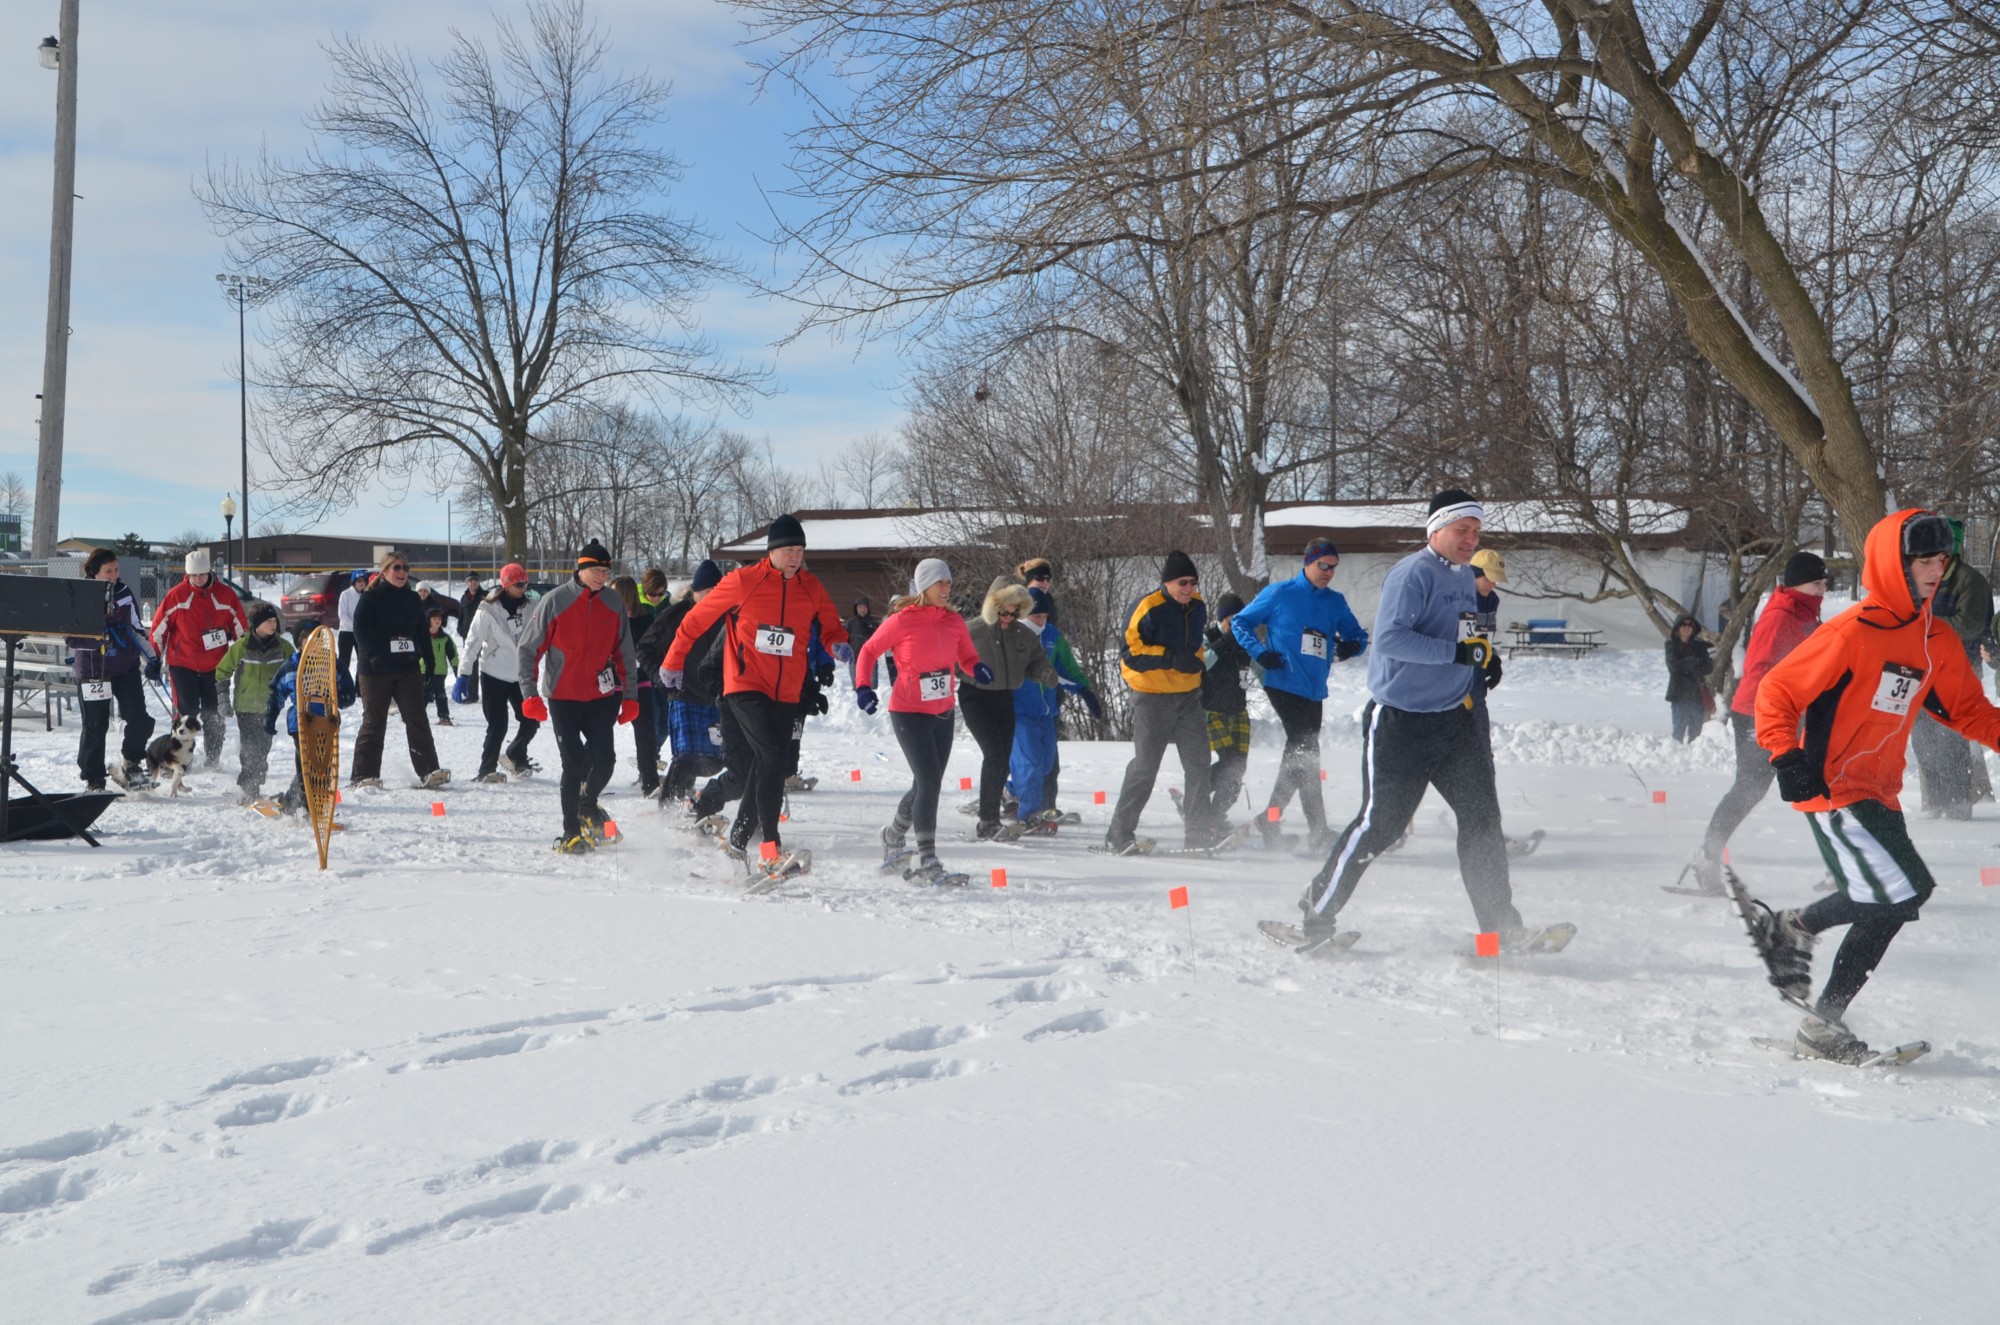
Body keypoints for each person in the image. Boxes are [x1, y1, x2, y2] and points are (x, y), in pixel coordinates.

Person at [1745, 509, 2000, 1063]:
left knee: (1899, 898)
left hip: (1879, 790)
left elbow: (1970, 712)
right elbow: (1777, 690)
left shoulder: (1935, 637)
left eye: (1941, 560)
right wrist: (1786, 756)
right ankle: (1822, 1023)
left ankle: (1796, 927)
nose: (1936, 571)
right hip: (1834, 789)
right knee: (1896, 896)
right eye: (1924, 561)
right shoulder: (1851, 631)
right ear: (1894, 565)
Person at [1297, 490, 1525, 946]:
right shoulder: (1411, 574)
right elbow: (1390, 639)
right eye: (1462, 530)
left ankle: (1501, 928)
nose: (1471, 539)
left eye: (1476, 532)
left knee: (1482, 821)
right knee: (1380, 826)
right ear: (1436, 530)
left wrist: (1483, 657)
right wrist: (1456, 653)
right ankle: (1317, 910)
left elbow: (1464, 634)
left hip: (1455, 722)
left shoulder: (1466, 577)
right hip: (1401, 723)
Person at [661, 514, 851, 878]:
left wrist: (837, 644)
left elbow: (830, 626)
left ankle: (739, 843)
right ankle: (769, 849)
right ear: (772, 552)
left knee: (771, 765)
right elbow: (696, 620)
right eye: (788, 550)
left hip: (786, 692)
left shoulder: (810, 586)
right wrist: (673, 661)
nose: (795, 557)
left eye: (800, 551)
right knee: (771, 756)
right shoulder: (744, 581)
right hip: (745, 685)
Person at [1686, 552, 1826, 893]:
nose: (1822, 590)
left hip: (1791, 713)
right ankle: (1707, 857)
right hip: (1757, 712)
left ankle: (1842, 867)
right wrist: (1782, 705)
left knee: (1818, 786)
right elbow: (1760, 668)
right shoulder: (1781, 615)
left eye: (1824, 583)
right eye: (1816, 583)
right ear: (1796, 584)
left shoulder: (1806, 613)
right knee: (1750, 788)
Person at [1231, 538, 1369, 852]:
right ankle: (1313, 828)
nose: (1329, 572)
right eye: (1324, 565)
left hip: (1314, 688)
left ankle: (1274, 818)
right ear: (1308, 563)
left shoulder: (1335, 601)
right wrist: (1259, 653)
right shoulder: (1280, 594)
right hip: (1282, 681)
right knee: (1304, 749)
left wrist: (1352, 646)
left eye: (1333, 567)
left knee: (1304, 755)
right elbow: (1240, 622)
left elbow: (1358, 636)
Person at [854, 558, 988, 881]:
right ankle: (928, 858)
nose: (946, 588)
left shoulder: (954, 621)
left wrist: (977, 667)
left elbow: (967, 656)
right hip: (908, 712)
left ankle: (893, 834)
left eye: (949, 583)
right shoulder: (901, 620)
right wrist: (863, 686)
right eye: (941, 582)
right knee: (928, 782)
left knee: (927, 784)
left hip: (943, 713)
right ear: (925, 586)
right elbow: (868, 650)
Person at [518, 539, 639, 853]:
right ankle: (570, 832)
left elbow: (625, 652)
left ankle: (587, 804)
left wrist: (630, 696)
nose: (601, 577)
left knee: (605, 760)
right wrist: (530, 694)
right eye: (596, 571)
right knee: (573, 764)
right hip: (563, 697)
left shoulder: (613, 602)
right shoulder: (555, 601)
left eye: (606, 572)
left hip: (601, 698)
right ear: (581, 569)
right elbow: (529, 649)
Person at [1106, 550, 1224, 854]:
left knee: (1199, 763)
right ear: (1167, 582)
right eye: (1183, 582)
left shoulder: (1197, 606)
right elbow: (1131, 653)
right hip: (1152, 695)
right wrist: (1171, 659)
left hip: (1188, 695)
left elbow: (1195, 647)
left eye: (1193, 583)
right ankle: (1119, 833)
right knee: (1146, 766)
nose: (1189, 588)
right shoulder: (1148, 607)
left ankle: (1198, 833)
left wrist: (1198, 668)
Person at [961, 578, 1064, 839]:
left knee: (1004, 757)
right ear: (993, 607)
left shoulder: (1022, 635)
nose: (1009, 618)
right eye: (1004, 612)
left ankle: (999, 809)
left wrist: (1044, 673)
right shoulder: (972, 631)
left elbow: (1036, 661)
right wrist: (970, 671)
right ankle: (987, 821)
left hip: (1005, 698)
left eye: (1015, 613)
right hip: (976, 698)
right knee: (994, 754)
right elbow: (947, 660)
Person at [1910, 522, 1993, 818]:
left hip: (1959, 668)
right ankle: (1935, 805)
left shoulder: (1970, 581)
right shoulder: (1922, 578)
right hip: (1923, 668)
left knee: (1953, 739)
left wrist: (1926, 624)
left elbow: (1970, 626)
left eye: (1939, 554)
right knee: (1924, 738)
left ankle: (1961, 804)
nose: (1933, 563)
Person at [348, 550, 450, 790]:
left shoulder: (413, 599)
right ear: (384, 571)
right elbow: (359, 630)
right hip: (375, 670)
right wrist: (373, 656)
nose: (402, 572)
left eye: (405, 568)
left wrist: (429, 661)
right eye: (397, 567)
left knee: (417, 717)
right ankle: (364, 775)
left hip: (407, 668)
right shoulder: (371, 598)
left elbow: (421, 632)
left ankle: (429, 770)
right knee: (374, 722)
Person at [1008, 587, 1101, 831]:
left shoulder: (1052, 635)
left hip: (1047, 712)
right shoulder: (1012, 635)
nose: (1040, 621)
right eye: (1036, 616)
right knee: (1030, 764)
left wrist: (1084, 689)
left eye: (1044, 617)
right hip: (1020, 712)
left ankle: (1012, 792)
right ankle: (1029, 815)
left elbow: (1066, 669)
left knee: (1046, 764)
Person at [149, 548, 247, 769]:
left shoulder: (226, 595)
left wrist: (244, 656)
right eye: (194, 575)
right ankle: (179, 760)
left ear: (209, 571)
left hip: (216, 665)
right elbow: (159, 630)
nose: (199, 578)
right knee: (186, 713)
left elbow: (241, 629)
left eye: (202, 574)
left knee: (214, 714)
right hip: (183, 664)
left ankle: (213, 759)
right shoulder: (176, 596)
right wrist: (154, 658)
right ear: (187, 574)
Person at [69, 548, 157, 792]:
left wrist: (152, 658)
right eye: (108, 571)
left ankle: (132, 762)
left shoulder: (124, 592)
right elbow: (71, 637)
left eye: (116, 569)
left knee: (139, 719)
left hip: (125, 667)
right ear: (94, 572)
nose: (114, 574)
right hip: (93, 670)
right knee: (96, 725)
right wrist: (100, 638)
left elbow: (136, 629)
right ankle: (94, 778)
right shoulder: (81, 594)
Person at [641, 560, 726, 806]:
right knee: (687, 756)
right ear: (695, 591)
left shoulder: (727, 615)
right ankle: (668, 808)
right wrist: (660, 678)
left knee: (716, 761)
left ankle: (689, 797)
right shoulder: (677, 614)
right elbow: (645, 648)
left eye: (717, 591)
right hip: (684, 694)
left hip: (716, 696)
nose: (713, 596)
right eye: (707, 591)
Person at [456, 562, 541, 783]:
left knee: (531, 720)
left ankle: (515, 754)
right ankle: (486, 770)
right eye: (519, 584)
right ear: (506, 584)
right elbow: (472, 642)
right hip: (493, 673)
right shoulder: (487, 609)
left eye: (526, 583)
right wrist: (464, 674)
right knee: (498, 725)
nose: (524, 588)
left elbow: (541, 636)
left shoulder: (531, 607)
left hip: (520, 675)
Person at [216, 602, 296, 804]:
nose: (273, 624)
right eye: (269, 621)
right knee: (249, 748)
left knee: (263, 748)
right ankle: (249, 788)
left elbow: (297, 669)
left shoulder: (283, 647)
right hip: (245, 706)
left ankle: (255, 783)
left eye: (275, 620)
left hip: (270, 707)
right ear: (257, 624)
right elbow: (222, 671)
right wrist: (223, 698)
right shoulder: (242, 646)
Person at [264, 649, 357, 820]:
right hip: (300, 723)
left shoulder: (333, 665)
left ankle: (293, 802)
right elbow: (276, 692)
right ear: (301, 643)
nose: (313, 647)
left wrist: (336, 696)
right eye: (307, 642)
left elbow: (349, 694)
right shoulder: (292, 665)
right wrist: (270, 717)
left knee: (322, 766)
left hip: (326, 722)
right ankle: (309, 807)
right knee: (306, 766)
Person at [1194, 591, 1254, 833]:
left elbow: (1260, 669)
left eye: (1241, 620)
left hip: (1238, 711)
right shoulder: (1208, 637)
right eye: (1232, 620)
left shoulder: (1245, 641)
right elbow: (1201, 664)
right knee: (1229, 762)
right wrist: (1224, 643)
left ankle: (1215, 815)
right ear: (1222, 619)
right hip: (1212, 710)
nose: (1236, 626)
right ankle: (1195, 799)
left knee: (1238, 768)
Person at [611, 574, 659, 796]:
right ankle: (585, 776)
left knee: (646, 732)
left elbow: (651, 649)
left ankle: (650, 781)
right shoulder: (607, 617)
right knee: (600, 730)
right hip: (612, 681)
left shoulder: (645, 620)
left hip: (640, 681)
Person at [1665, 615, 1714, 743]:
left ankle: (1693, 755)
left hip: (1697, 695)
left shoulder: (1699, 646)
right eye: (1684, 625)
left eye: (1690, 625)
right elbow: (1674, 667)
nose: (1687, 628)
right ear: (1677, 627)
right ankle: (1675, 754)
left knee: (1696, 735)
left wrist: (1687, 664)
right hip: (1679, 696)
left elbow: (1708, 667)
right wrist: (1694, 661)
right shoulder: (1671, 646)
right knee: (1678, 733)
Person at [423, 608, 459, 726]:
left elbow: (453, 654)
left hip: (439, 671)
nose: (437, 620)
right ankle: (416, 716)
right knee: (422, 695)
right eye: (434, 618)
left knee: (440, 694)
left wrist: (456, 668)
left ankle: (444, 717)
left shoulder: (445, 638)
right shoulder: (422, 636)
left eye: (439, 618)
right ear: (428, 620)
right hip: (423, 671)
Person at [336, 569, 368, 685]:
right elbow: (342, 615)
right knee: (344, 661)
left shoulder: (365, 595)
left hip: (360, 634)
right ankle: (342, 685)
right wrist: (355, 627)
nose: (361, 583)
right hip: (346, 632)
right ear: (354, 582)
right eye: (359, 581)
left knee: (363, 660)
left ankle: (360, 686)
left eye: (363, 581)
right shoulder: (345, 594)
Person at [844, 595, 881, 686]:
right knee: (857, 685)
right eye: (860, 607)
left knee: (872, 686)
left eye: (864, 607)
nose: (862, 609)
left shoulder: (874, 623)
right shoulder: (850, 623)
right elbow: (844, 638)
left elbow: (880, 638)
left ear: (868, 608)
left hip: (871, 657)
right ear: (856, 609)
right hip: (854, 657)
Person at [457, 574, 485, 646]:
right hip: (467, 636)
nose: (473, 582)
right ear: (467, 583)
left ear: (479, 582)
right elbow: (461, 616)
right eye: (470, 580)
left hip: (481, 638)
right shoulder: (464, 597)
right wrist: (461, 630)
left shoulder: (485, 597)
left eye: (476, 580)